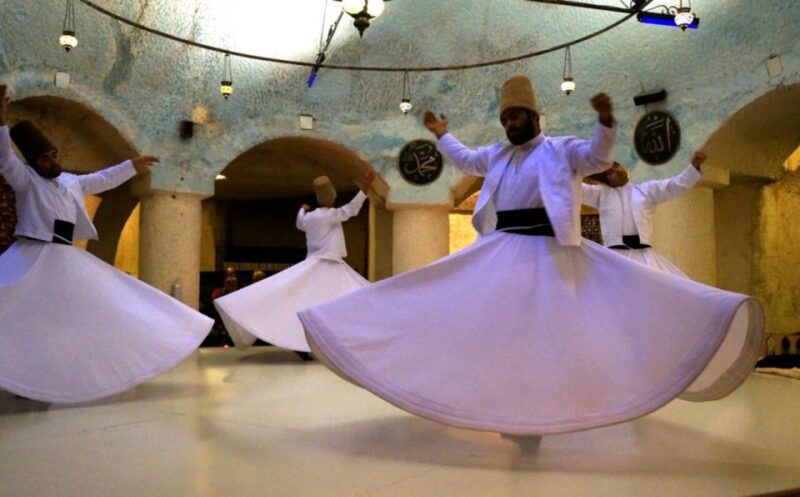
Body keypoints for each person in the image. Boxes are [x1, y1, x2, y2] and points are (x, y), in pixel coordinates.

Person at [298, 75, 763, 435]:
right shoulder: (498, 155)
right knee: (475, 318)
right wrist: (443, 135)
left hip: (550, 253)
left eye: (517, 115)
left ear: (535, 115)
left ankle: (555, 407)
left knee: (557, 332)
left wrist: (605, 125)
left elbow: (598, 159)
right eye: (505, 118)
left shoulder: (562, 150)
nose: (510, 123)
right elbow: (466, 160)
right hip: (501, 251)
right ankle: (506, 407)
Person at [0, 84, 212, 403]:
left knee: (87, 311)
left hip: (64, 257)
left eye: (54, 155)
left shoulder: (70, 181)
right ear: (33, 163)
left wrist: (132, 166)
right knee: (27, 313)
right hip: (34, 254)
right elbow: (5, 159)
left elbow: (101, 179)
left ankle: (63, 374)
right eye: (44, 159)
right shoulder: (26, 181)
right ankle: (24, 377)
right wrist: (1, 120)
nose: (52, 161)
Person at [214, 171, 374, 358]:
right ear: (333, 196)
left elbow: (300, 223)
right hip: (328, 265)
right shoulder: (330, 215)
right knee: (345, 300)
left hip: (315, 264)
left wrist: (302, 210)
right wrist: (365, 188)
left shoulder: (310, 217)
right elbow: (351, 209)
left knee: (303, 302)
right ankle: (337, 341)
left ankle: (314, 342)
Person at [581, 151, 706, 276]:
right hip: (614, 259)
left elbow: (675, 185)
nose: (616, 170)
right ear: (607, 179)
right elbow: (577, 189)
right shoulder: (600, 194)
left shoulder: (646, 190)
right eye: (610, 172)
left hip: (644, 258)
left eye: (616, 166)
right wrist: (573, 165)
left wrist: (694, 166)